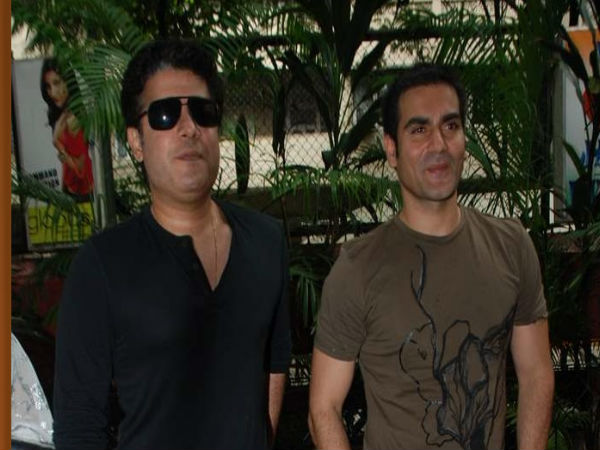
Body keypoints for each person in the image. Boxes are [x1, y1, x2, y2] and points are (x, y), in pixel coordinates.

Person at [53, 39, 291, 450]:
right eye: (165, 114)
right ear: (136, 141)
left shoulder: (266, 242)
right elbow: (78, 425)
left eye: (203, 112)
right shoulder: (103, 265)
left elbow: (274, 363)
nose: (188, 128)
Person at [308, 63, 554, 450]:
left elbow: (536, 373)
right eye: (419, 130)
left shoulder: (511, 246)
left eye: (450, 126)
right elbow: (323, 408)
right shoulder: (357, 268)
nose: (438, 144)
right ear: (392, 149)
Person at [41, 59, 94, 201]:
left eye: (57, 83)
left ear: (69, 82)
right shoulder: (64, 115)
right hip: (71, 190)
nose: (53, 92)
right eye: (48, 86)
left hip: (83, 194)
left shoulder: (73, 118)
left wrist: (58, 145)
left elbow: (81, 168)